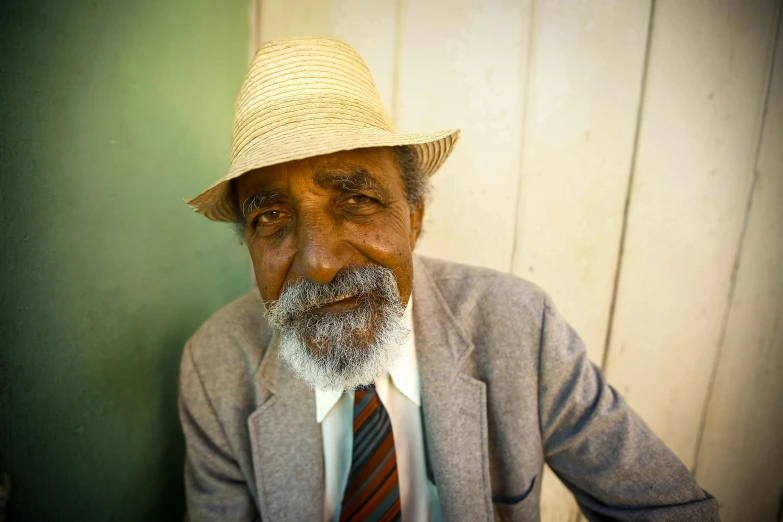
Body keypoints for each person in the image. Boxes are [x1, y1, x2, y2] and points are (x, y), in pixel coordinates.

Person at [178, 36, 719, 522]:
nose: (319, 264)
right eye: (270, 217)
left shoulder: (522, 328)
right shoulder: (214, 367)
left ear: (413, 217)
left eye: (357, 200)